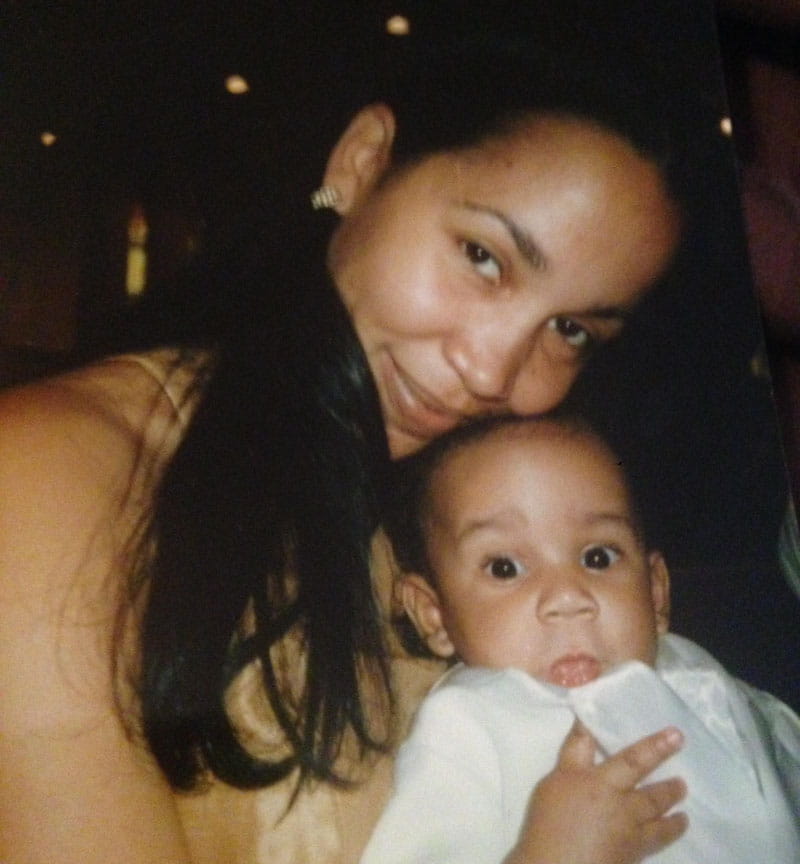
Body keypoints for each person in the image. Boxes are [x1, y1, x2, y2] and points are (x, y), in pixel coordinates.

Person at [0, 37, 721, 864]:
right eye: (483, 257)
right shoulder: (46, 479)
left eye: (570, 330)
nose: (493, 372)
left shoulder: (479, 511)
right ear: (362, 161)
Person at [364, 414, 800, 864]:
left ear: (655, 592)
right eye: (504, 568)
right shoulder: (466, 727)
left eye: (597, 557)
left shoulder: (694, 669)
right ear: (435, 616)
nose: (569, 597)